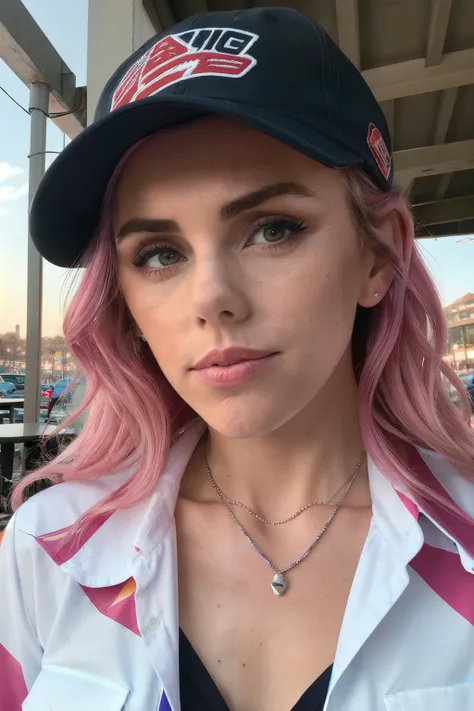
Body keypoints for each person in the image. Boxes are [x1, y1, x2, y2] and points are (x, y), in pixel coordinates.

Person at [1, 7, 473, 711]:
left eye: (272, 228)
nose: (212, 298)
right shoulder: (50, 550)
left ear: (380, 253)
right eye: (159, 253)